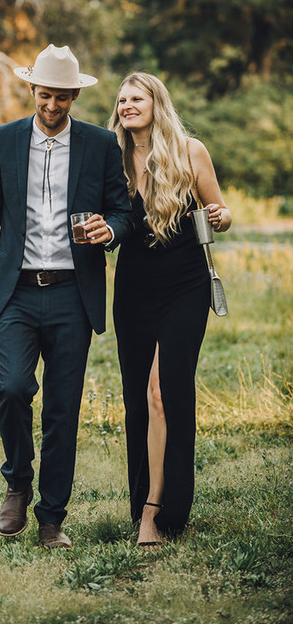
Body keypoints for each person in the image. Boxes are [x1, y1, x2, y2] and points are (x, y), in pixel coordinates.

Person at [0, 44, 132, 549]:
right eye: (44, 95)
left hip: (74, 296)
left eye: (62, 98)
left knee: (61, 409)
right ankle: (16, 482)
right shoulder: (3, 140)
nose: (52, 106)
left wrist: (109, 230)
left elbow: (122, 211)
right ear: (32, 90)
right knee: (12, 389)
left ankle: (52, 517)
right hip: (15, 293)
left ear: (75, 95)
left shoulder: (100, 145)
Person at [108, 72, 232, 546]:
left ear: (157, 102)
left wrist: (221, 215)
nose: (127, 106)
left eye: (136, 98)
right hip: (133, 290)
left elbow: (221, 211)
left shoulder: (188, 151)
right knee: (138, 397)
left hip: (185, 285)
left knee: (164, 392)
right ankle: (143, 495)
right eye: (121, 99)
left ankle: (156, 510)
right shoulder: (111, 156)